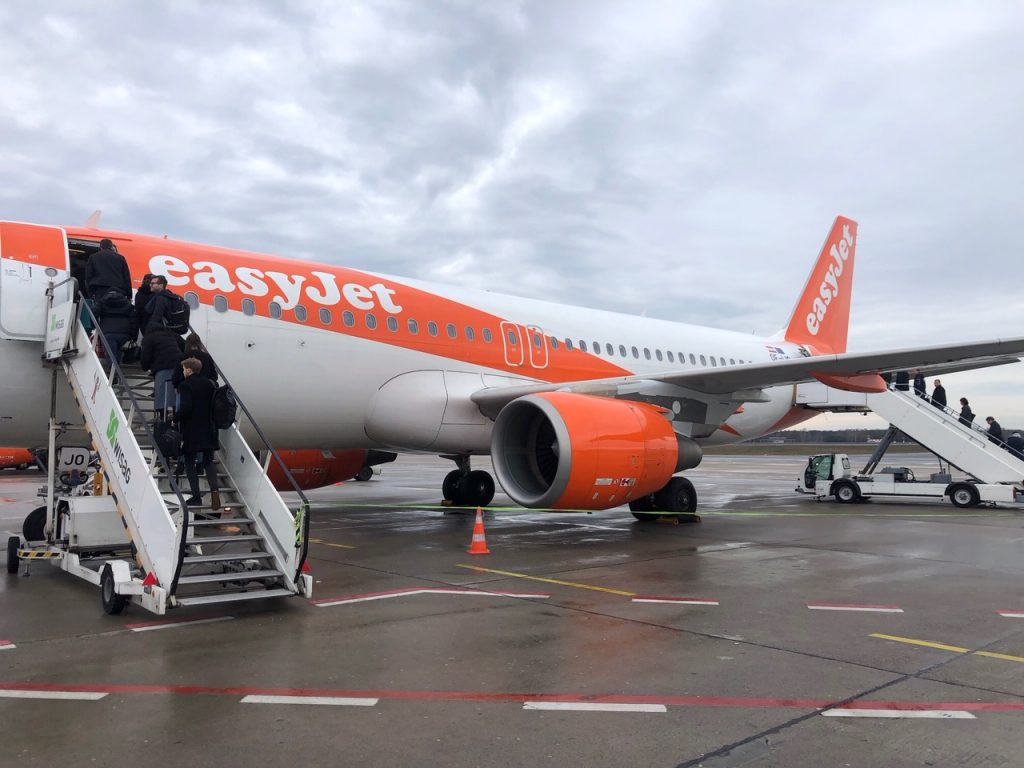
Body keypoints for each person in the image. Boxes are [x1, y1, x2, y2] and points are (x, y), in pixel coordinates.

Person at [177, 357, 224, 515]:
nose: (183, 371)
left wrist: (175, 417)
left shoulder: (185, 385)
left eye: (184, 369)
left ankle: (196, 496)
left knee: (189, 461)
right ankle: (214, 489)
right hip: (209, 429)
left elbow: (186, 408)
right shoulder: (209, 384)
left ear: (189, 369)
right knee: (208, 461)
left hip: (192, 430)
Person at [140, 325, 184, 420]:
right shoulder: (170, 334)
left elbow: (146, 355)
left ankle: (163, 420)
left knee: (161, 396)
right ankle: (176, 420)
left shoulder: (149, 337)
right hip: (178, 366)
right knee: (175, 395)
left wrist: (145, 367)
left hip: (163, 367)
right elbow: (183, 343)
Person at [94, 287, 137, 370]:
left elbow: (94, 312)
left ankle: (114, 373)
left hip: (108, 331)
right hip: (124, 332)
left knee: (111, 354)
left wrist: (96, 325)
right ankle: (116, 371)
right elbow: (134, 320)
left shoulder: (102, 302)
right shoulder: (127, 304)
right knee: (117, 351)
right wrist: (134, 336)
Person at [134, 274, 155, 338]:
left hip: (143, 323)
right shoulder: (156, 294)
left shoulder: (139, 293)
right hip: (153, 322)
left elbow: (138, 311)